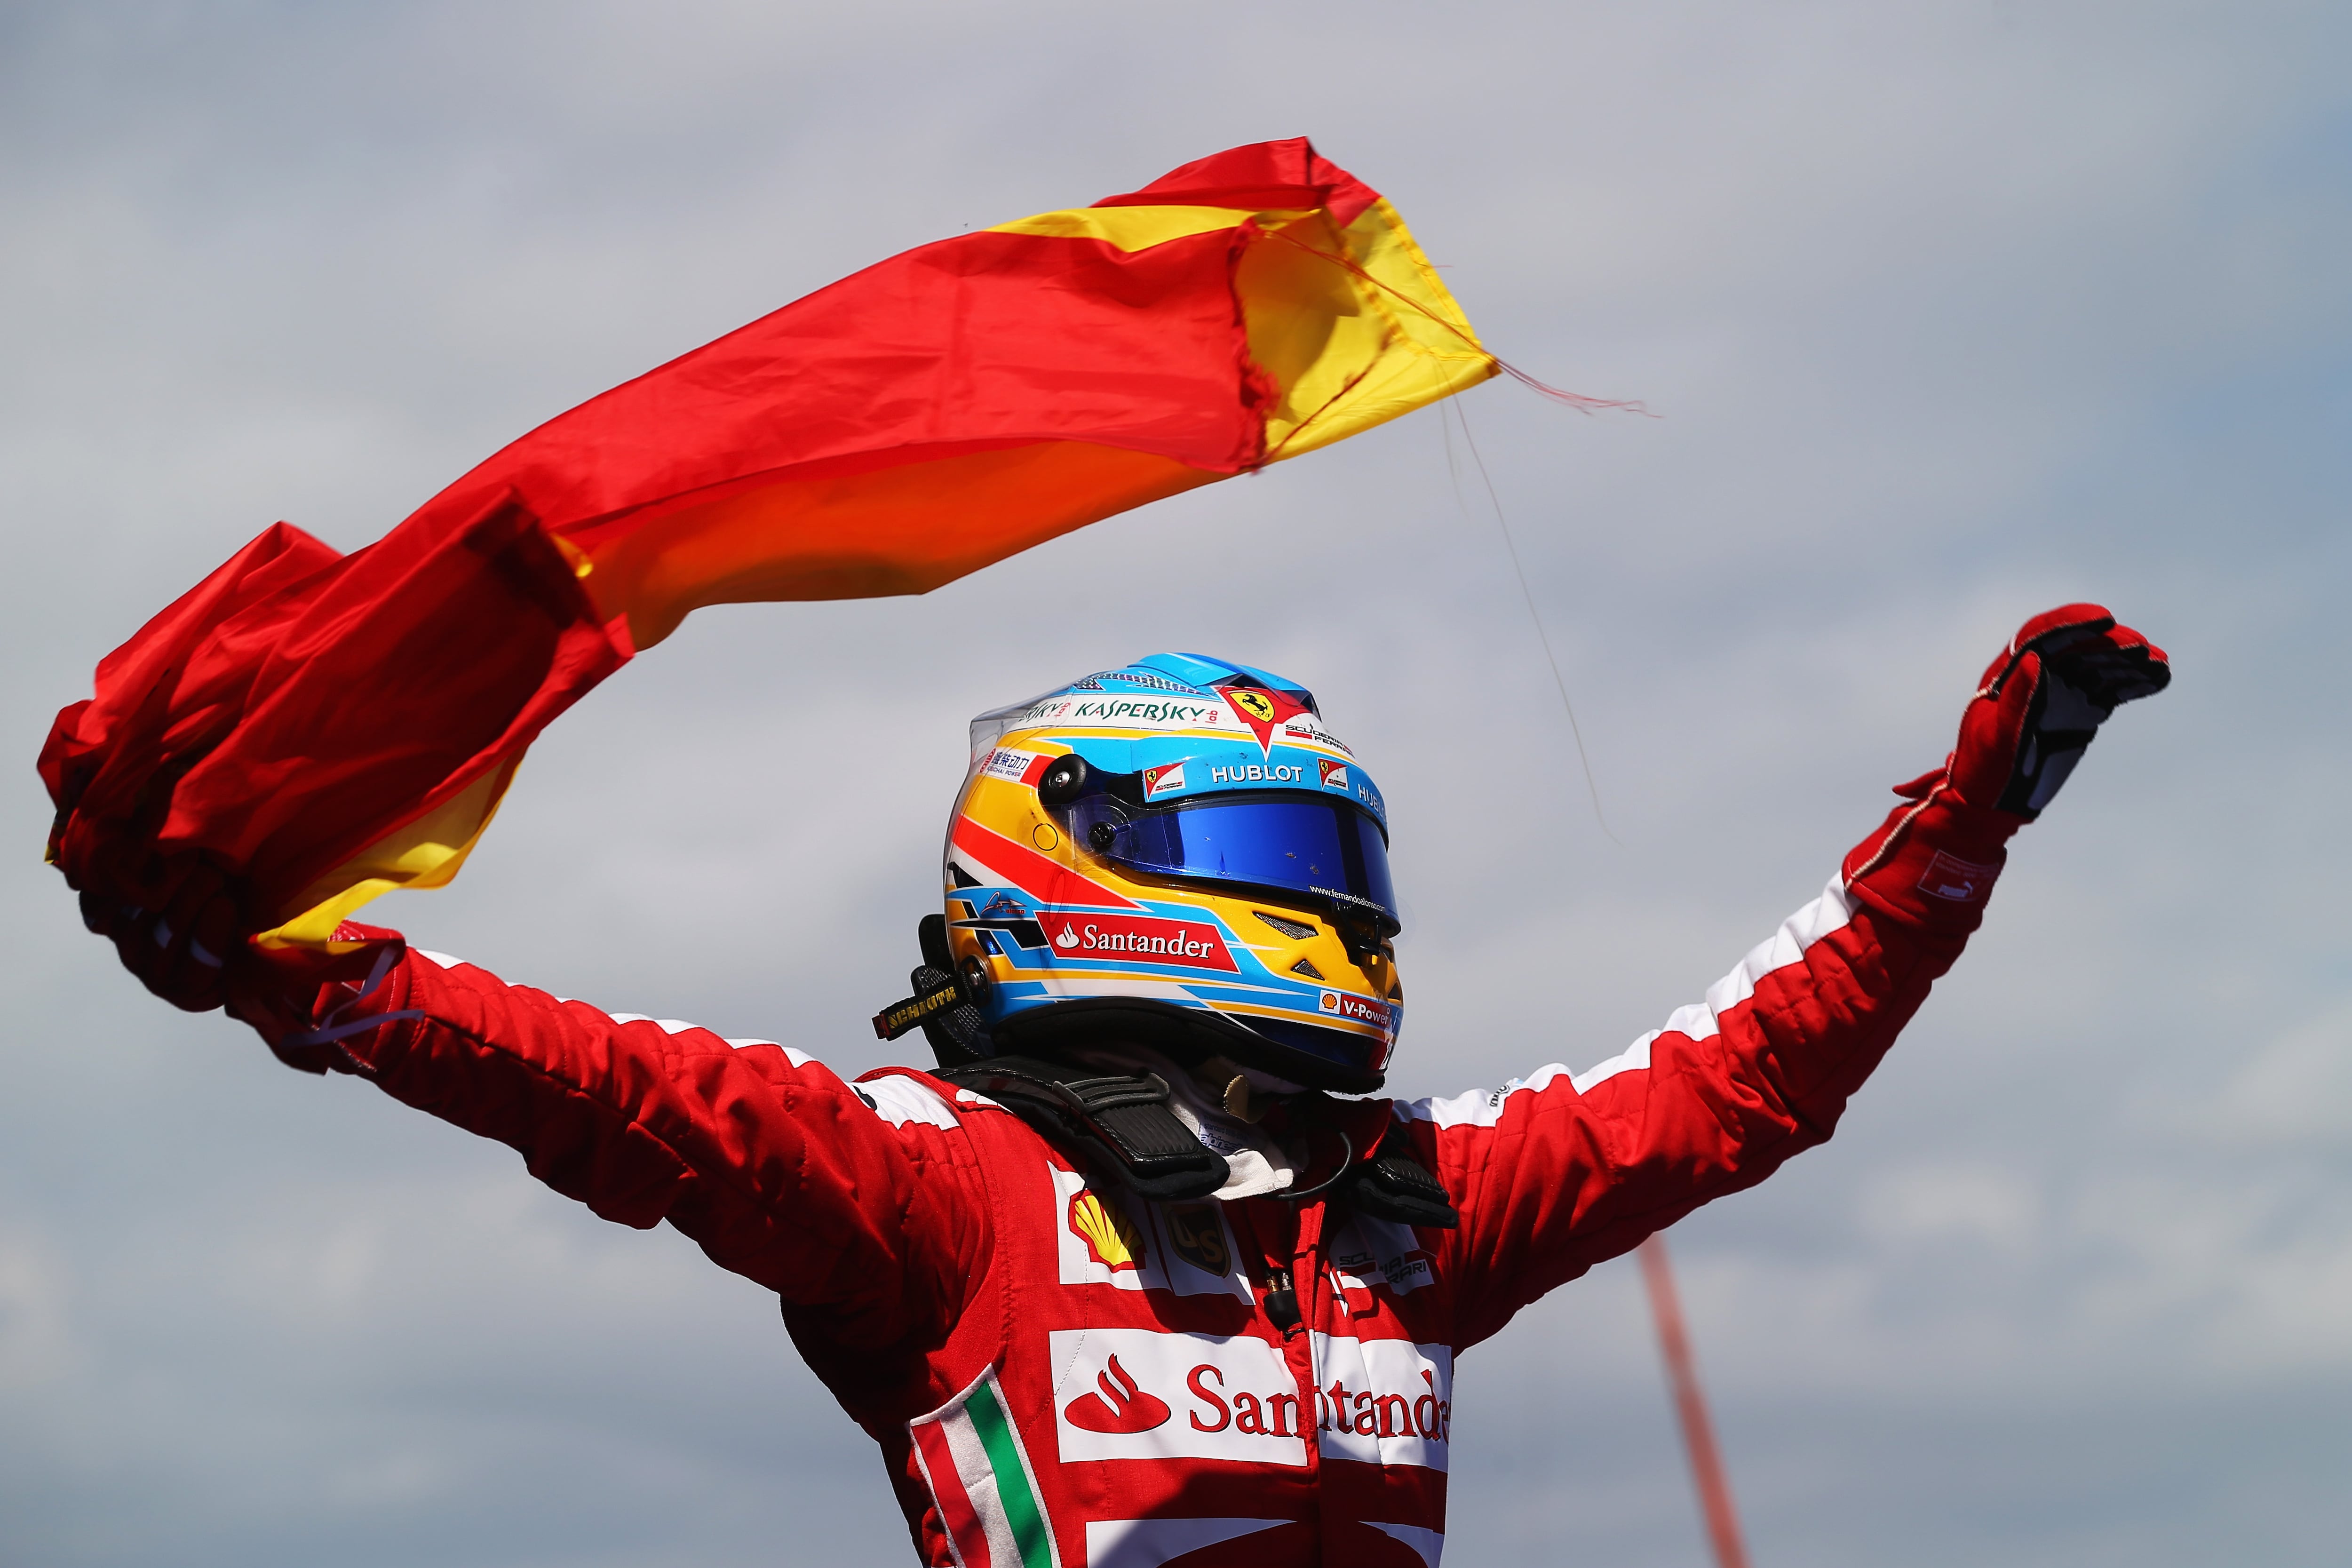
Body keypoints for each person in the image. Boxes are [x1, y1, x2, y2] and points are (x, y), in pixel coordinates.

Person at [84, 608, 2168, 1568]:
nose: (1333, 920)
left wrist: (1961, 823)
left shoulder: (1410, 1196)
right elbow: (623, 1100)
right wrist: (313, 983)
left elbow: (1737, 1084)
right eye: (1275, 865)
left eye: (1339, 868)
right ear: (1070, 863)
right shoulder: (945, 1191)